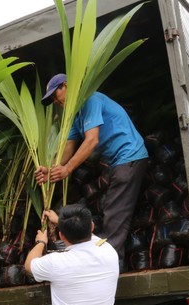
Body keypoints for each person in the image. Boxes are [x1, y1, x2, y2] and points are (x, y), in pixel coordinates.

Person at [37, 73, 149, 269]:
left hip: (129, 157)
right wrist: (50, 169)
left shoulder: (90, 100)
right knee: (112, 211)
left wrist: (68, 169)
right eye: (53, 100)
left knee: (114, 216)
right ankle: (109, 264)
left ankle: (110, 270)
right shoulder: (75, 114)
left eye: (56, 95)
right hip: (118, 162)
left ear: (66, 85)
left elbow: (91, 140)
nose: (56, 101)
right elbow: (69, 147)